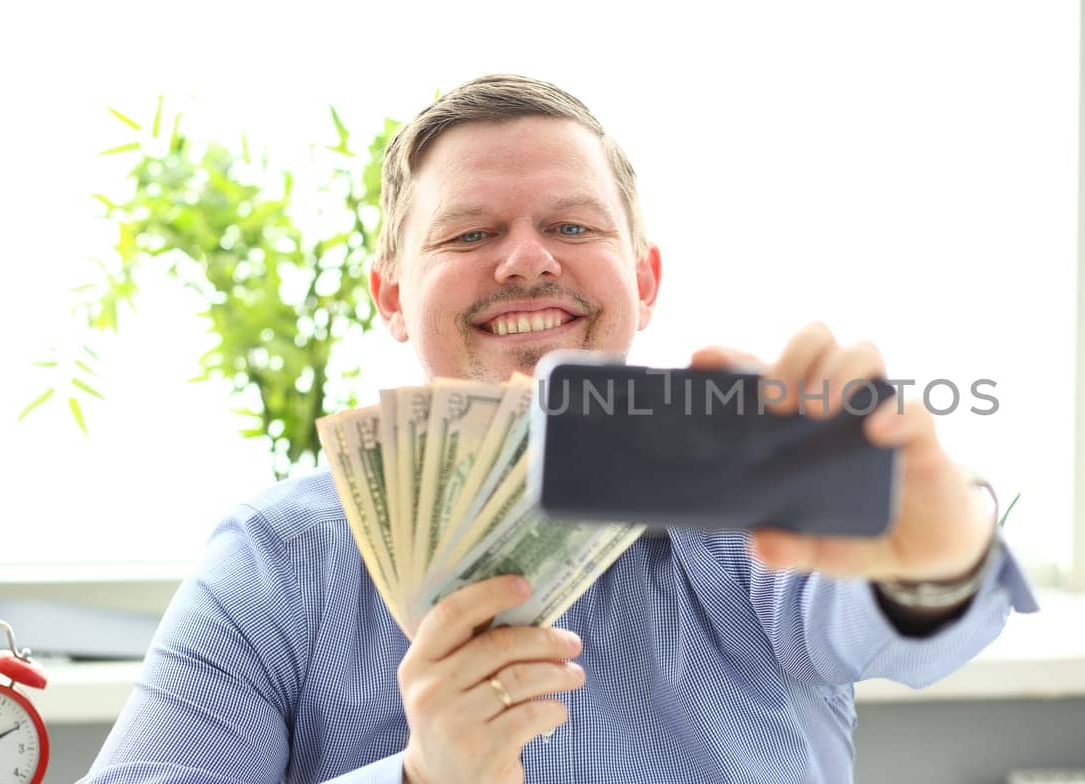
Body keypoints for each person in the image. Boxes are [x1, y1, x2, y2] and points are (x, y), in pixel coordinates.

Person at [83, 74, 1037, 784]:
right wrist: (421, 778)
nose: (527, 260)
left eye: (575, 228)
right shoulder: (276, 562)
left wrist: (939, 551)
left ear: (645, 280)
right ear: (391, 298)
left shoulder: (750, 500)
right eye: (468, 236)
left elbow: (902, 623)